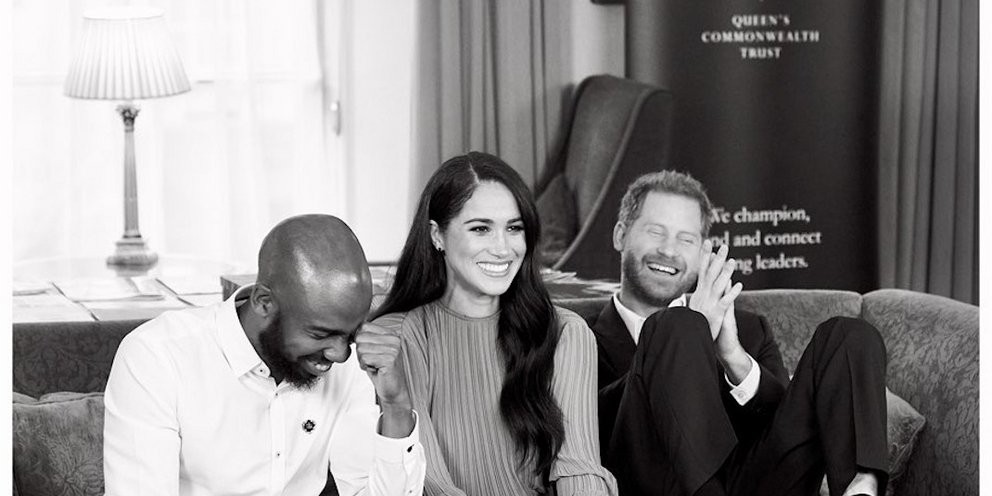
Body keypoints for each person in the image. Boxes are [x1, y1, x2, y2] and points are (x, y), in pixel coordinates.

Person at [590, 171, 888, 496]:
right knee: (678, 325)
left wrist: (733, 357)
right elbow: (587, 432)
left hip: (755, 486)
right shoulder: (578, 337)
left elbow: (788, 426)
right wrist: (688, 335)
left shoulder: (749, 330)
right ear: (620, 235)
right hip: (650, 486)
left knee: (848, 335)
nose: (669, 250)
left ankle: (862, 486)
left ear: (702, 253)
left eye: (686, 240)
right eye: (655, 232)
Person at [104, 214, 426, 496]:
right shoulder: (157, 357)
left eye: (351, 334)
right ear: (263, 302)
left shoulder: (345, 363)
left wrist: (396, 407)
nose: (340, 354)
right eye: (320, 334)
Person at [372, 151, 617, 496]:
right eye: (481, 229)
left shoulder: (566, 333)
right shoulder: (403, 336)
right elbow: (431, 482)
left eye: (514, 228)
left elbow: (580, 472)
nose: (503, 248)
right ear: (437, 235)